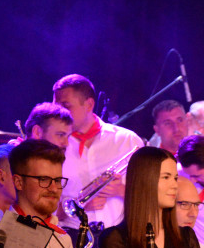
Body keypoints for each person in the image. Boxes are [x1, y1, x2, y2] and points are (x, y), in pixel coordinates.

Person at [53, 74, 144, 228]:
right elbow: (42, 208)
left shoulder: (127, 140)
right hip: (71, 239)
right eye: (56, 107)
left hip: (120, 237)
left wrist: (122, 191)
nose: (58, 113)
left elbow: (152, 196)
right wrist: (77, 206)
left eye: (66, 106)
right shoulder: (53, 146)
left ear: (89, 105)